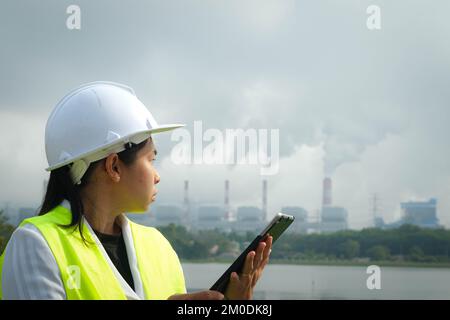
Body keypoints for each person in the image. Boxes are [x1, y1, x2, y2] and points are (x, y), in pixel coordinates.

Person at [0, 81, 272, 300]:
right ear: (114, 166)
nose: (157, 176)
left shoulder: (158, 247)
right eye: (151, 160)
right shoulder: (35, 244)